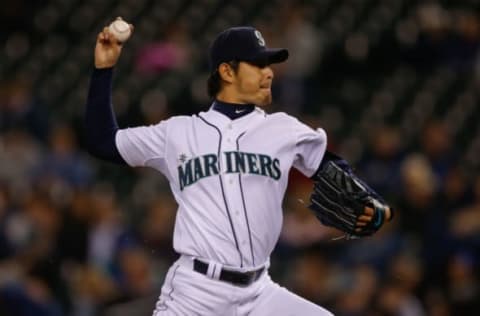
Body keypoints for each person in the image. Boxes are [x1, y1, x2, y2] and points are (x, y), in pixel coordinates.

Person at [85, 23, 391, 315]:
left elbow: (330, 167)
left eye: (269, 65)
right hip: (196, 293)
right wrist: (103, 70)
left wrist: (371, 202)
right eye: (257, 65)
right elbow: (103, 141)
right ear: (227, 71)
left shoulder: (283, 129)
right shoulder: (178, 133)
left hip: (259, 292)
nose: (268, 73)